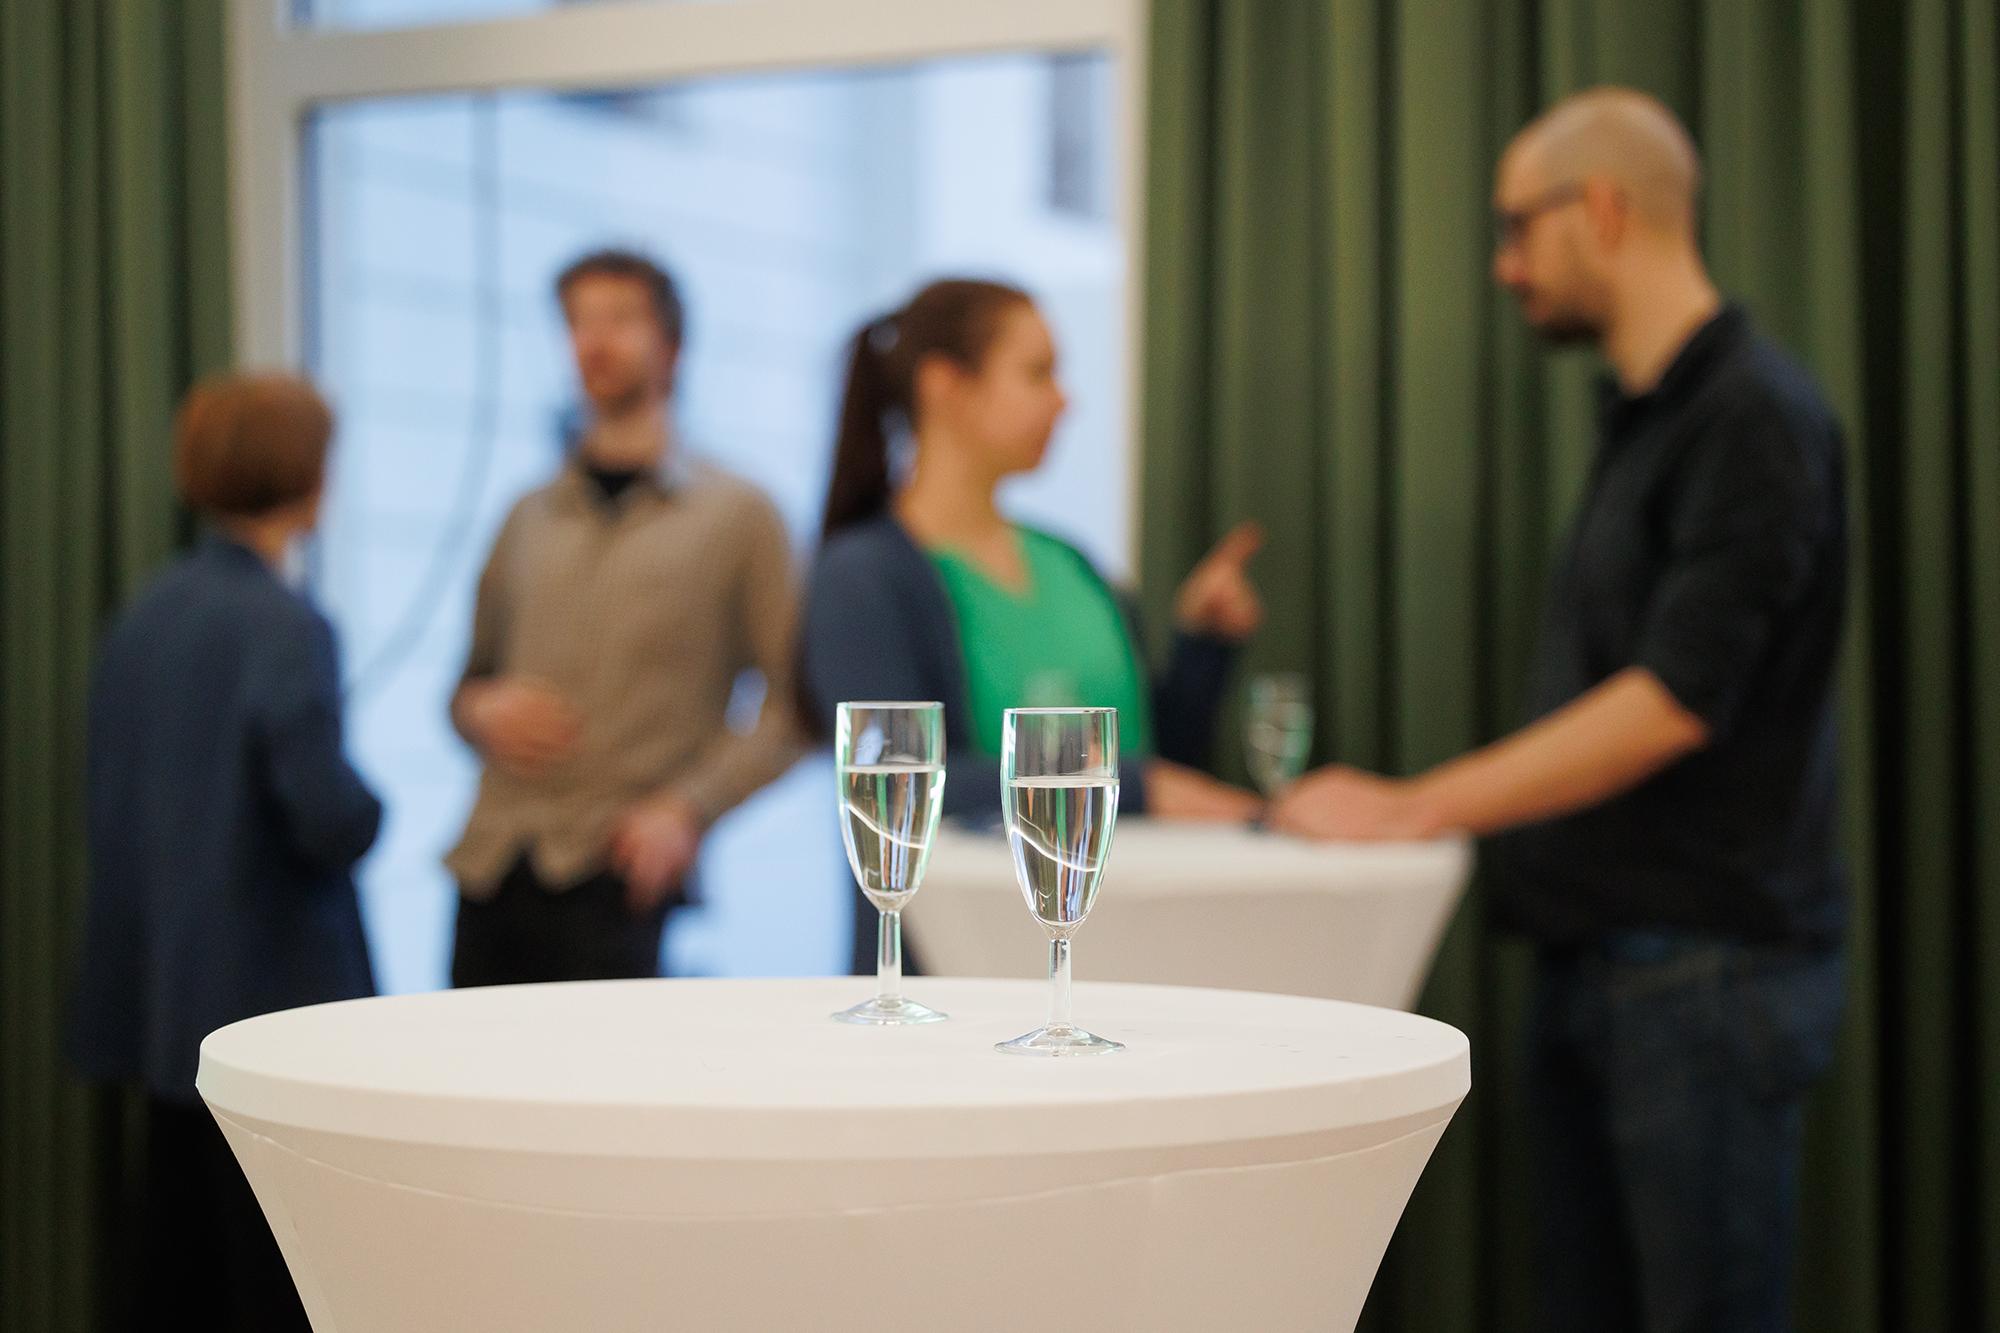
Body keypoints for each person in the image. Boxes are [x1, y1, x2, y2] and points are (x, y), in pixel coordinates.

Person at [1273, 89, 1848, 1332]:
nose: (1503, 265)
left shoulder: (1750, 415)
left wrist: (1415, 805)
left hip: (1702, 974)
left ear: (1601, 208)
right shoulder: (1655, 415)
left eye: (1516, 226)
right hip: (1612, 961)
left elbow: (1670, 701)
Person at [800, 277, 1265, 974]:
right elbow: (897, 787)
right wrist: (1137, 789)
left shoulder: (1073, 564)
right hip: (960, 979)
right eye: (1037, 373)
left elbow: (1161, 754)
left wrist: (1203, 645)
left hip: (1123, 957)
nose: (1063, 400)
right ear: (945, 385)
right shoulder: (864, 578)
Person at [68, 373, 380, 1331]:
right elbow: (326, 817)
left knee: (174, 1274)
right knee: (273, 1282)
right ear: (309, 478)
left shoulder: (143, 616)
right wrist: (374, 810)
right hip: (264, 1006)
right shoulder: (288, 626)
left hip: (160, 994)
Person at [447, 249, 801, 987]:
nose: (595, 341)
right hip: (493, 862)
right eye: (579, 322)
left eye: (619, 319)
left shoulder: (739, 515)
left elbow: (794, 706)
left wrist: (686, 808)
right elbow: (465, 686)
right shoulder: (526, 515)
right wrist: (482, 710)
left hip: (622, 870)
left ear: (671, 345)